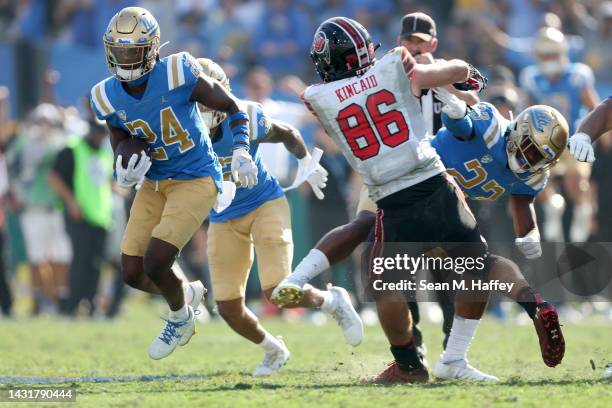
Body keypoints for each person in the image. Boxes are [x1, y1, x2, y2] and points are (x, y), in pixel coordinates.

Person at [276, 16, 487, 384]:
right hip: (434, 182)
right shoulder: (396, 66)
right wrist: (465, 71)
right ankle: (456, 357)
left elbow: (333, 105)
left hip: (390, 198)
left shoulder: (317, 97)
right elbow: (452, 71)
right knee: (476, 264)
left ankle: (408, 365)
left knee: (385, 288)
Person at [90, 7, 258, 360]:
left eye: (132, 52)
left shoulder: (177, 70)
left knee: (156, 262)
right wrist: (123, 162)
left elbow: (233, 107)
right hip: (154, 181)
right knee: (132, 272)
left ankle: (179, 315)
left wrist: (241, 150)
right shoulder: (105, 95)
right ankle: (187, 299)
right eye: (119, 52)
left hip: (196, 175)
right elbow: (118, 133)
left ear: (151, 49)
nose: (125, 59)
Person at [198, 58, 362, 376]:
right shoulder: (182, 128)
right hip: (223, 215)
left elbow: (287, 133)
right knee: (228, 307)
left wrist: (305, 163)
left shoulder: (246, 114)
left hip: (264, 202)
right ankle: (273, 349)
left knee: (277, 290)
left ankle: (332, 301)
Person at [48, 118, 113, 316]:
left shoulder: (104, 153)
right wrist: (71, 202)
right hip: (79, 215)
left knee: (95, 264)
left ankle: (91, 303)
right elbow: (54, 177)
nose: (101, 138)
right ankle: (72, 305)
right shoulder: (72, 149)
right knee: (79, 261)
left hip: (101, 217)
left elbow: (105, 183)